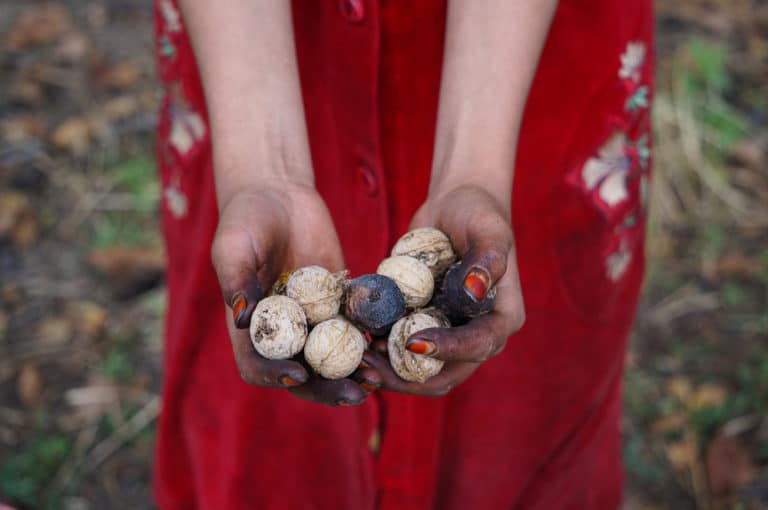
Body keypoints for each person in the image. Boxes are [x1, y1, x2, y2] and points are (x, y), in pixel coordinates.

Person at [151, 0, 653, 508]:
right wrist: (263, 168)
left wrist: (475, 172)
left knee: (518, 417)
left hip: (512, 57)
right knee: (265, 445)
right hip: (242, 52)